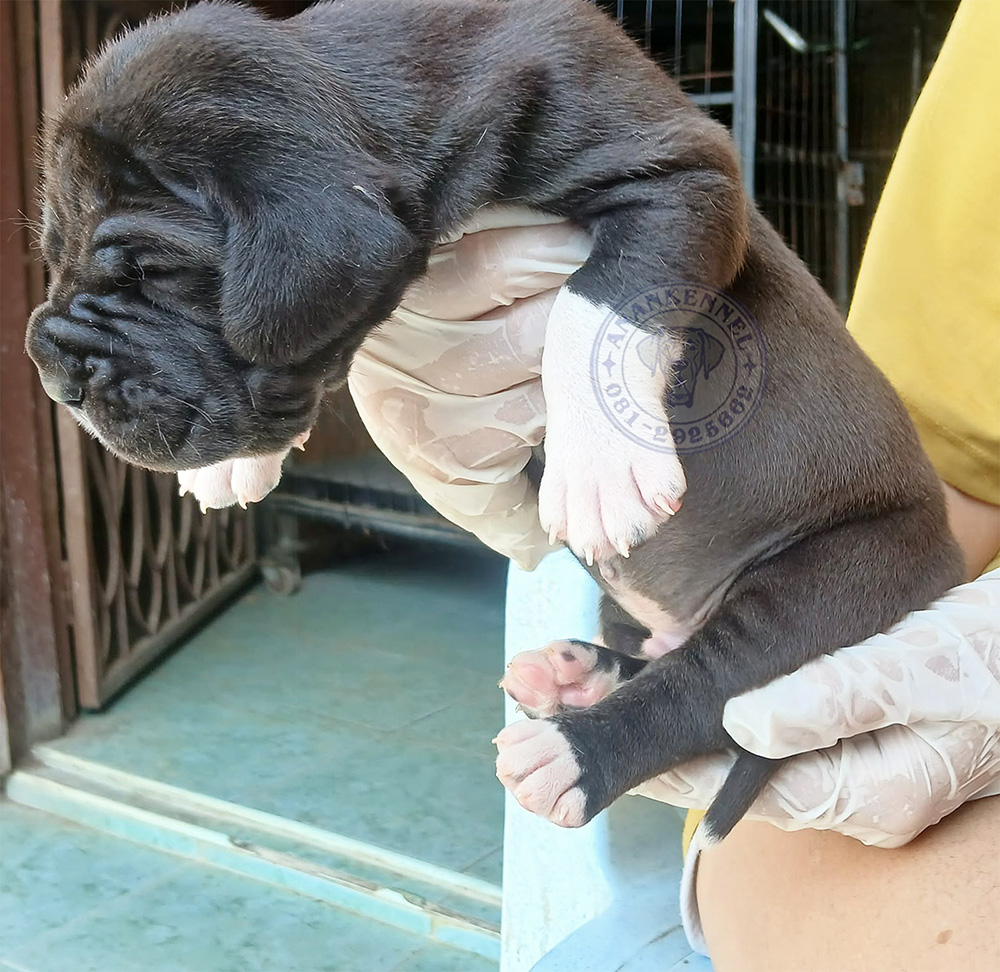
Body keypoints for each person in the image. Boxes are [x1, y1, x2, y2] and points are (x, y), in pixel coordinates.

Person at [346, 0, 1000, 967]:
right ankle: (649, 689)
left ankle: (628, 719)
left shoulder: (564, 95)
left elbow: (686, 183)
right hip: (831, 597)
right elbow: (949, 478)